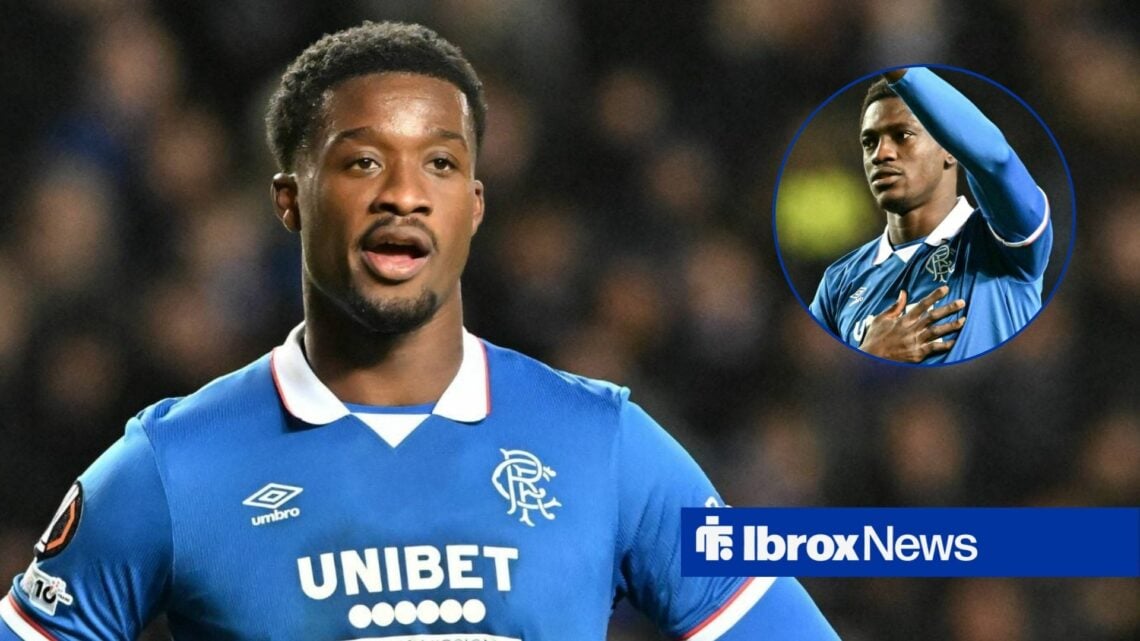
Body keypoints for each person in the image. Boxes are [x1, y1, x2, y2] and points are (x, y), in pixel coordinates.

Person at [2, 22, 839, 641]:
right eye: (362, 161)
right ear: (290, 200)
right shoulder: (172, 465)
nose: (403, 193)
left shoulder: (603, 443)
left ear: (473, 206)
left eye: (439, 163)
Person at [808, 66, 1053, 364]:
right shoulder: (839, 279)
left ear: (951, 149)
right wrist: (872, 353)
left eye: (902, 136)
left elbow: (996, 160)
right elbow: (819, 381)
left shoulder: (1002, 239)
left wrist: (903, 72)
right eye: (869, 142)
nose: (881, 154)